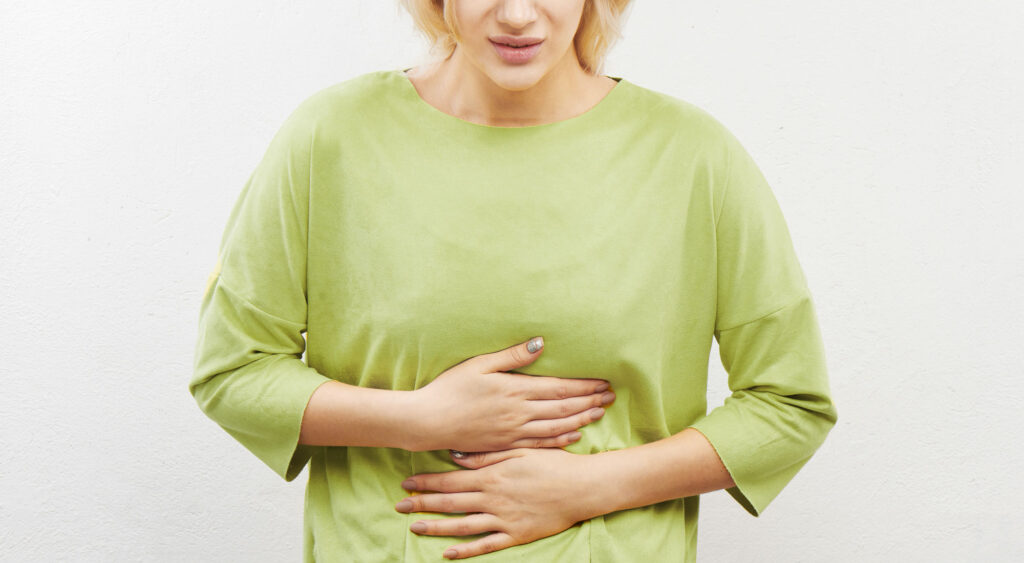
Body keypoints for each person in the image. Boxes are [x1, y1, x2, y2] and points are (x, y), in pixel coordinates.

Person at [189, 0, 838, 561]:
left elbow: (789, 405)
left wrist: (588, 486)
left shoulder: (694, 158)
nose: (519, 15)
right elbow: (233, 370)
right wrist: (419, 418)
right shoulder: (330, 139)